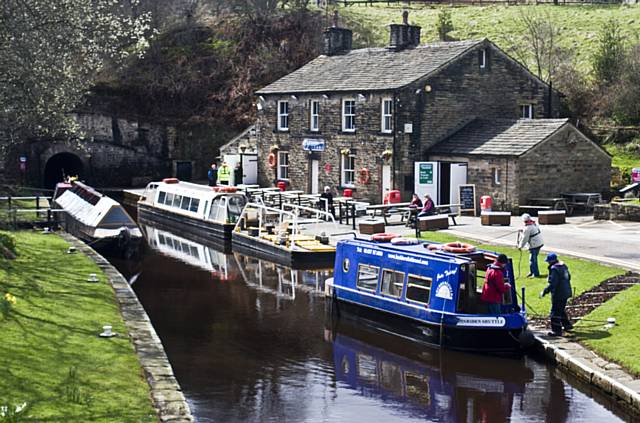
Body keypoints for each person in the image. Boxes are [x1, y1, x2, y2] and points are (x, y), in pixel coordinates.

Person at [540, 253, 573, 336]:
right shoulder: (563, 266)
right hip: (566, 291)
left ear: (551, 261)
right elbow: (569, 277)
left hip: (559, 293)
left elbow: (553, 284)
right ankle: (567, 325)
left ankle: (556, 331)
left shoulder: (554, 269)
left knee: (554, 312)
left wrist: (544, 291)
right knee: (561, 309)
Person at [518, 213, 544, 278]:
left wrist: (520, 246)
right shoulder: (534, 224)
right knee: (532, 259)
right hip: (539, 243)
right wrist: (522, 231)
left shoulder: (527, 228)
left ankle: (536, 274)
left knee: (532, 260)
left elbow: (525, 238)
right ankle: (532, 272)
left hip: (534, 244)